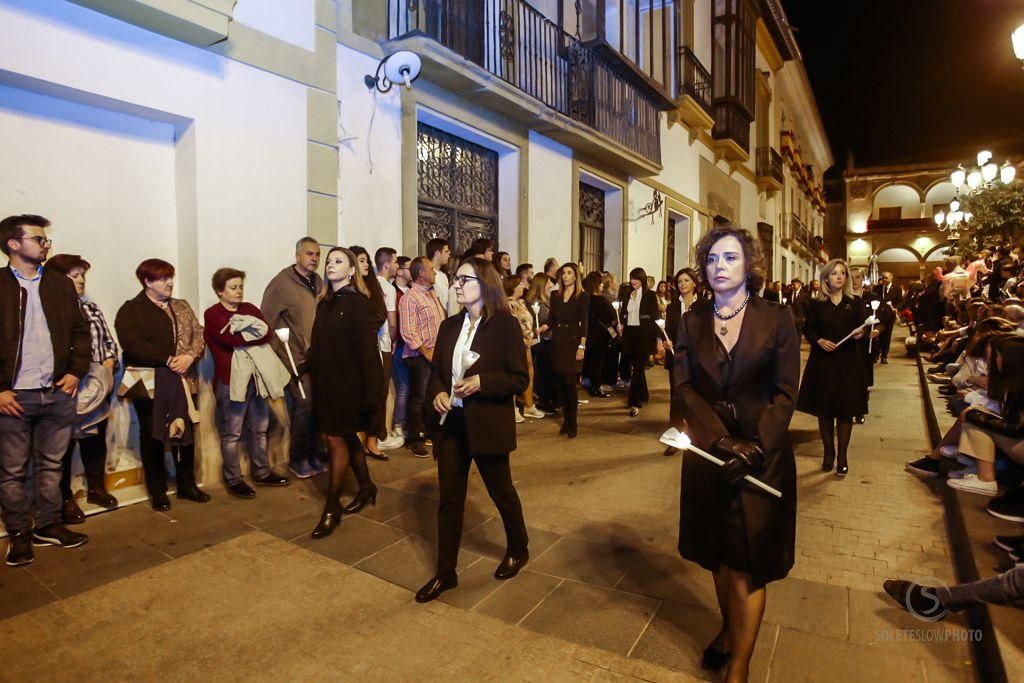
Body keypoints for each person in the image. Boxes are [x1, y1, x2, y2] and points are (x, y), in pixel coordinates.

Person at [671, 225, 799, 683]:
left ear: (749, 266)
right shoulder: (691, 321)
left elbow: (786, 393)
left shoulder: (777, 318)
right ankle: (729, 628)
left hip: (762, 460)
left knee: (748, 563)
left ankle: (739, 664)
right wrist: (721, 441)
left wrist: (755, 447)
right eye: (711, 259)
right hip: (709, 457)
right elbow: (683, 387)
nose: (719, 267)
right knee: (719, 557)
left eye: (729, 258)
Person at [416, 257, 530, 603]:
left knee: (501, 491)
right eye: (455, 279)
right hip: (452, 423)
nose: (456, 284)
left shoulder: (505, 327)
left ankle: (518, 546)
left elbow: (519, 379)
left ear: (485, 283)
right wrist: (436, 391)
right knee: (449, 497)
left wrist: (483, 382)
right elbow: (437, 371)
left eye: (464, 279)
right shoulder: (449, 326)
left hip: (487, 423)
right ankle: (446, 571)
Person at [1, 215, 92, 565]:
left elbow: (80, 333)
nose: (45, 244)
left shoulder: (58, 284)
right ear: (13, 243)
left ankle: (48, 525)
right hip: (14, 397)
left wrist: (75, 372)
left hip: (57, 393)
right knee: (11, 471)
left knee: (52, 467)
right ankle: (20, 533)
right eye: (38, 239)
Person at [115, 258, 208, 511]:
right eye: (163, 278)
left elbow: (199, 334)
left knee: (186, 431)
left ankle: (187, 485)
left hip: (184, 380)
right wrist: (166, 359)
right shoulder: (131, 309)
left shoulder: (182, 305)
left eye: (170, 277)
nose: (170, 282)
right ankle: (157, 491)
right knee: (153, 435)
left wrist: (190, 356)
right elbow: (132, 343)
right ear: (147, 281)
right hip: (151, 383)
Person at [307, 247, 383, 538]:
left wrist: (370, 393)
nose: (330, 264)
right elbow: (321, 343)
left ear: (352, 270)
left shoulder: (357, 303)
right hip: (327, 382)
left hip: (348, 384)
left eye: (338, 261)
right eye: (329, 261)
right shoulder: (325, 301)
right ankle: (366, 486)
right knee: (346, 436)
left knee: (336, 440)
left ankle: (331, 507)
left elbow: (365, 351)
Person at [203, 268, 290, 499]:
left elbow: (267, 332)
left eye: (241, 286)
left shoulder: (249, 309)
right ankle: (234, 479)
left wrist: (247, 331)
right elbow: (228, 338)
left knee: (259, 428)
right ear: (220, 291)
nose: (239, 291)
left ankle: (261, 472)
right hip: (231, 381)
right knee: (232, 433)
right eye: (233, 287)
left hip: (256, 378)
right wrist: (252, 332)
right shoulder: (213, 314)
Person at [46, 253, 120, 521]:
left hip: (98, 385)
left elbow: (109, 344)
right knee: (61, 447)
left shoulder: (91, 308)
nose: (80, 280)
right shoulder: (50, 311)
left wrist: (108, 368)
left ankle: (96, 488)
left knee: (95, 440)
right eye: (73, 275)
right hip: (68, 387)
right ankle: (64, 498)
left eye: (82, 275)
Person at [260, 237, 326, 479]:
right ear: (297, 255)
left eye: (317, 254)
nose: (314, 259)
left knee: (320, 406)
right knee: (305, 404)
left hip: (318, 357)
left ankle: (317, 453)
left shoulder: (318, 282)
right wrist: (281, 356)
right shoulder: (281, 284)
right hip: (295, 357)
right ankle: (298, 458)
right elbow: (267, 323)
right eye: (309, 254)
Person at [796, 259, 869, 477]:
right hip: (824, 362)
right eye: (834, 273)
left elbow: (862, 327)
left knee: (846, 411)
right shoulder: (817, 304)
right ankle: (828, 452)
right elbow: (809, 329)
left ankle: (843, 456)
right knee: (825, 411)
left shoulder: (855, 302)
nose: (839, 277)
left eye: (842, 273)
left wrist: (860, 333)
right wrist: (818, 341)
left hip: (848, 363)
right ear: (826, 277)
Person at [399, 256, 445, 457]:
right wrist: (426, 353)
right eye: (431, 269)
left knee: (431, 395)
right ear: (421, 273)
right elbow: (407, 331)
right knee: (417, 398)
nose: (434, 271)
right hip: (419, 355)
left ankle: (429, 432)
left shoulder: (431, 293)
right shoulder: (410, 297)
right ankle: (414, 438)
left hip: (435, 354)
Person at [349, 245, 390, 460]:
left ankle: (372, 442)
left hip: (370, 347)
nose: (365, 264)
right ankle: (357, 442)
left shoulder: (373, 287)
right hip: (350, 351)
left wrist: (363, 330)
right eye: (361, 260)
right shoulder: (346, 289)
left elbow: (380, 313)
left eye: (366, 260)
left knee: (375, 394)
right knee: (356, 396)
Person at [663, 267, 701, 456]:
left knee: (696, 399)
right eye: (680, 281)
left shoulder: (703, 305)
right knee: (676, 399)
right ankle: (674, 439)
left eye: (686, 280)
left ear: (694, 282)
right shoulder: (672, 307)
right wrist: (666, 339)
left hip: (698, 359)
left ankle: (698, 438)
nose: (683, 284)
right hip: (676, 357)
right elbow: (668, 329)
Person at [549, 263, 588, 438]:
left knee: (570, 384)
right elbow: (551, 320)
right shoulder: (555, 296)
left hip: (573, 343)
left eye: (569, 273)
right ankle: (566, 421)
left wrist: (582, 346)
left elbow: (585, 323)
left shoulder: (582, 297)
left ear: (575, 276)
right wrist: (541, 327)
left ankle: (573, 423)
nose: (565, 276)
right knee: (561, 385)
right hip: (558, 341)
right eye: (563, 273)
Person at [618, 267, 661, 417]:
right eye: (631, 278)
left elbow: (655, 317)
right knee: (637, 367)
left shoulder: (650, 296)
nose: (633, 281)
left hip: (644, 334)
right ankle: (644, 395)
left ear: (642, 279)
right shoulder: (627, 294)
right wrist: (621, 324)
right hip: (630, 334)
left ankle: (634, 401)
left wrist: (658, 338)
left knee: (638, 367)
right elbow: (624, 313)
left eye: (636, 278)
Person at [374, 247, 405, 452]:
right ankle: (382, 434)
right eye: (395, 262)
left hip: (372, 344)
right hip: (384, 344)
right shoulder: (388, 287)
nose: (396, 266)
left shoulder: (371, 283)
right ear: (386, 264)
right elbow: (392, 323)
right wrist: (393, 341)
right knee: (386, 391)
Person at [504, 275, 544, 420]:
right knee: (515, 374)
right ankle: (513, 407)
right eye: (520, 284)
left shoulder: (521, 303)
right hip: (516, 344)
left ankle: (528, 405)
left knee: (529, 374)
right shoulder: (508, 305)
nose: (523, 287)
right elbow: (513, 325)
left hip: (527, 343)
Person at [583, 271, 616, 399]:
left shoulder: (585, 299)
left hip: (588, 334)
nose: (602, 286)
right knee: (598, 362)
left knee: (590, 360)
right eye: (601, 284)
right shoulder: (602, 301)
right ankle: (595, 387)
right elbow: (613, 316)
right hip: (600, 336)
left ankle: (589, 382)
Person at [525, 273, 555, 411]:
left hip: (548, 338)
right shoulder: (534, 302)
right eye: (548, 282)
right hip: (541, 340)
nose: (551, 285)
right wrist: (549, 323)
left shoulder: (548, 299)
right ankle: (544, 399)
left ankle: (549, 397)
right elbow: (546, 317)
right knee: (543, 371)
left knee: (547, 370)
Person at [873, 271, 902, 364]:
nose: (884, 280)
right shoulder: (876, 288)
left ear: (891, 278)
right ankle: (876, 354)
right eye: (883, 278)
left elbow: (901, 301)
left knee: (887, 335)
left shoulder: (897, 289)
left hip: (890, 316)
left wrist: (897, 308)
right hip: (878, 315)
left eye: (886, 278)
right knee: (877, 335)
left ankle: (884, 355)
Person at [426, 238, 451, 315]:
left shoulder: (443, 275)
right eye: (446, 251)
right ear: (437, 253)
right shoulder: (427, 274)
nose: (449, 254)